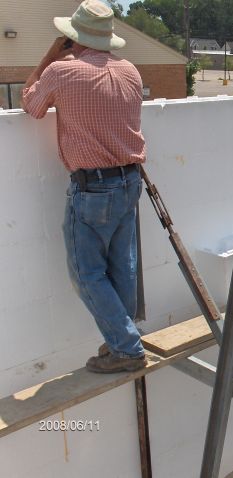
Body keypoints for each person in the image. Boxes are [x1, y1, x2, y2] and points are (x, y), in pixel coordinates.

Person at [22, 0, 147, 373]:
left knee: (86, 272)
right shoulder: (130, 72)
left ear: (72, 38)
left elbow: (31, 104)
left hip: (94, 189)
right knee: (122, 267)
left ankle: (126, 347)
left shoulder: (63, 71)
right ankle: (122, 341)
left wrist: (48, 56)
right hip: (130, 181)